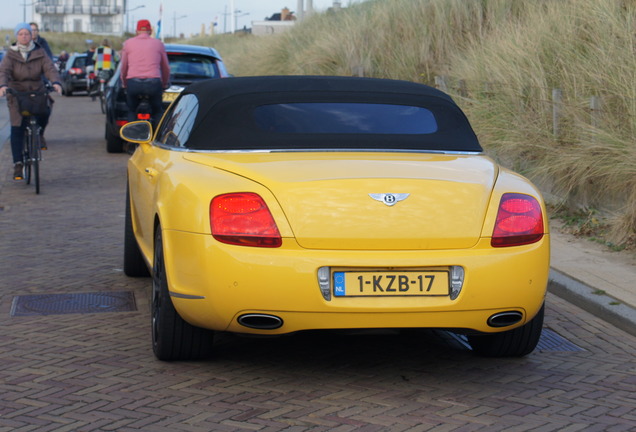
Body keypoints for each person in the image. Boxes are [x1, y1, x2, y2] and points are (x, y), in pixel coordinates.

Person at [0, 23, 62, 180]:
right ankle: (18, 164)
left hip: (36, 90)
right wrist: (3, 85)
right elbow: (4, 71)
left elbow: (49, 68)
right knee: (17, 126)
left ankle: (39, 133)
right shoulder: (10, 55)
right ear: (16, 36)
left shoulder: (39, 52)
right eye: (20, 34)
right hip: (17, 93)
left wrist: (55, 82)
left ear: (31, 35)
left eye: (26, 34)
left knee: (46, 109)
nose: (24, 36)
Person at [119, 19, 170, 127]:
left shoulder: (128, 44)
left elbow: (123, 67)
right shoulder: (158, 44)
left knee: (132, 110)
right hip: (153, 83)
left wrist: (124, 83)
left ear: (136, 31)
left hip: (133, 83)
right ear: (150, 31)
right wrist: (164, 84)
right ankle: (157, 138)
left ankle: (132, 138)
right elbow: (166, 68)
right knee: (157, 111)